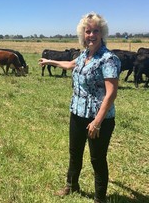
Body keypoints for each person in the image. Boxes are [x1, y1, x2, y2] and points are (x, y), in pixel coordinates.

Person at [39, 12, 121, 203]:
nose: (91, 35)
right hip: (77, 113)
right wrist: (49, 61)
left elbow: (111, 93)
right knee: (74, 152)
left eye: (95, 31)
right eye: (88, 31)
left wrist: (97, 122)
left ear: (102, 33)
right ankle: (71, 185)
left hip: (99, 119)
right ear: (83, 34)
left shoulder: (108, 59)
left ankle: (100, 198)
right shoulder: (85, 54)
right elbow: (69, 64)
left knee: (97, 159)